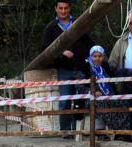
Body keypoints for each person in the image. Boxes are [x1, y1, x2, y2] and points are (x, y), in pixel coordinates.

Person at [41, 0, 96, 133]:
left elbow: (90, 44)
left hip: (80, 68)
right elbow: (44, 49)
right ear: (56, 9)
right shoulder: (51, 28)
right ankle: (65, 131)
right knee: (65, 101)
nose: (63, 11)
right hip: (64, 69)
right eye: (60, 8)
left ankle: (79, 132)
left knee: (81, 101)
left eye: (66, 8)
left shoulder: (78, 24)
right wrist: (61, 52)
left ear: (69, 8)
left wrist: (89, 60)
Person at [80, 45, 132, 133]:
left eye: (100, 56)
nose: (97, 58)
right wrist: (91, 91)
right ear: (91, 56)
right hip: (91, 97)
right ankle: (103, 132)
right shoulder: (85, 68)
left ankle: (122, 133)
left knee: (124, 102)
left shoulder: (106, 67)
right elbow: (79, 86)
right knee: (103, 103)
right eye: (95, 56)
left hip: (108, 95)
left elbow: (119, 72)